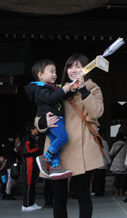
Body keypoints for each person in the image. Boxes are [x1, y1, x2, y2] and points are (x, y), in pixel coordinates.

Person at [38, 53, 105, 218]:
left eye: (78, 66)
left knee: (83, 196)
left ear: (86, 69)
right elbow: (38, 115)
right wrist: (43, 122)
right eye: (70, 66)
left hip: (81, 149)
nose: (74, 70)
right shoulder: (57, 89)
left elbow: (97, 112)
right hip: (57, 151)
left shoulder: (92, 88)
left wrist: (82, 89)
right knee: (59, 198)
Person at [25, 59, 79, 179]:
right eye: (51, 71)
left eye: (55, 72)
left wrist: (72, 88)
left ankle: (55, 167)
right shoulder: (39, 89)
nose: (55, 74)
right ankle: (45, 158)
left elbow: (61, 95)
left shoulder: (52, 87)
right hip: (54, 118)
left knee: (56, 142)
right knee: (63, 137)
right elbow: (51, 98)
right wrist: (64, 89)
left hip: (55, 118)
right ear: (40, 75)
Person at [21, 124, 42, 211]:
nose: (37, 130)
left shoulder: (33, 139)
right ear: (32, 130)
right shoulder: (28, 139)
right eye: (36, 129)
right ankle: (26, 204)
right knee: (28, 184)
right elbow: (26, 151)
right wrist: (36, 149)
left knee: (32, 184)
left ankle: (32, 202)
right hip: (28, 164)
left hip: (33, 163)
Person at [109, 131, 127, 197]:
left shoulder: (114, 145)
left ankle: (116, 192)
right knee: (123, 179)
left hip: (116, 165)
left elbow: (110, 154)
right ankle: (121, 192)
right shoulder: (126, 145)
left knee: (116, 179)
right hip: (123, 164)